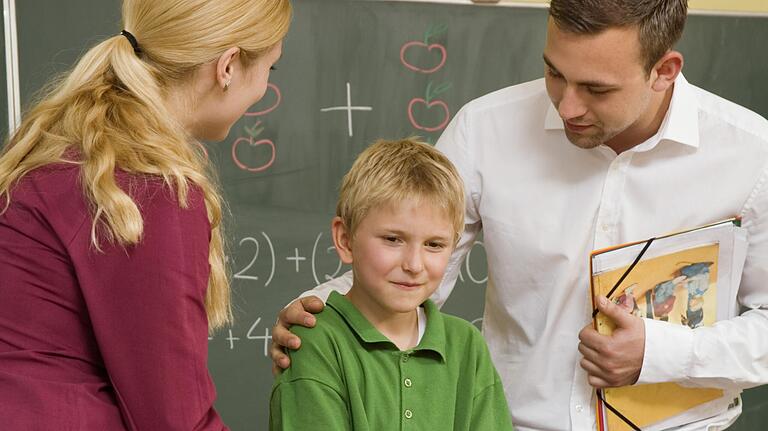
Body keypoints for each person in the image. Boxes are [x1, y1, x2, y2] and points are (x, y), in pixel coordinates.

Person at [271, 0, 768, 430]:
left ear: (665, 70)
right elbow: (417, 269)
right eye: (554, 72)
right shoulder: (485, 130)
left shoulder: (751, 155)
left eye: (596, 89)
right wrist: (321, 314)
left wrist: (662, 354)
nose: (567, 105)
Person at [0, 0, 291, 429]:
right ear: (227, 66)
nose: (265, 87)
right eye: (271, 68)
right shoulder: (146, 187)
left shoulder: (68, 149)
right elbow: (173, 419)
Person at [269, 138, 513, 430]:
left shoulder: (467, 347)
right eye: (393, 240)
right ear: (345, 240)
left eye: (434, 244)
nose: (413, 264)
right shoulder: (316, 342)